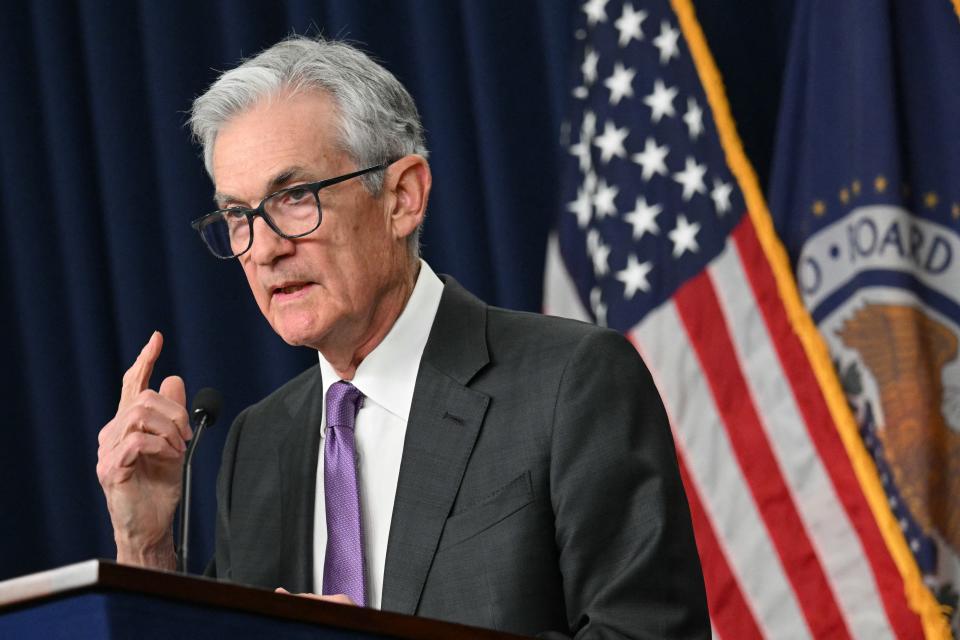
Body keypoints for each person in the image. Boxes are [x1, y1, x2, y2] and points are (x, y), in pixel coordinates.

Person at [96, 36, 709, 638]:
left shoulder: (571, 382)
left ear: (402, 197)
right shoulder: (257, 444)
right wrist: (146, 548)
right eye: (239, 216)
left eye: (294, 197)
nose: (266, 248)